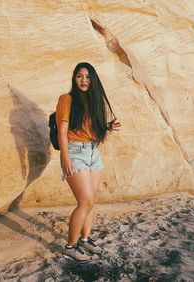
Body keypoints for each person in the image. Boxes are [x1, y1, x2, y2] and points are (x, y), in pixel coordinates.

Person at [56, 62, 121, 263]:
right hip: (75, 152)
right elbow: (62, 131)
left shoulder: (93, 102)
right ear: (74, 79)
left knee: (92, 200)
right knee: (85, 202)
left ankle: (84, 239)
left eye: (87, 77)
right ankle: (70, 247)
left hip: (93, 152)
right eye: (79, 76)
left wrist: (108, 126)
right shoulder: (66, 99)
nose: (84, 80)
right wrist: (65, 158)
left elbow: (90, 129)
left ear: (92, 80)